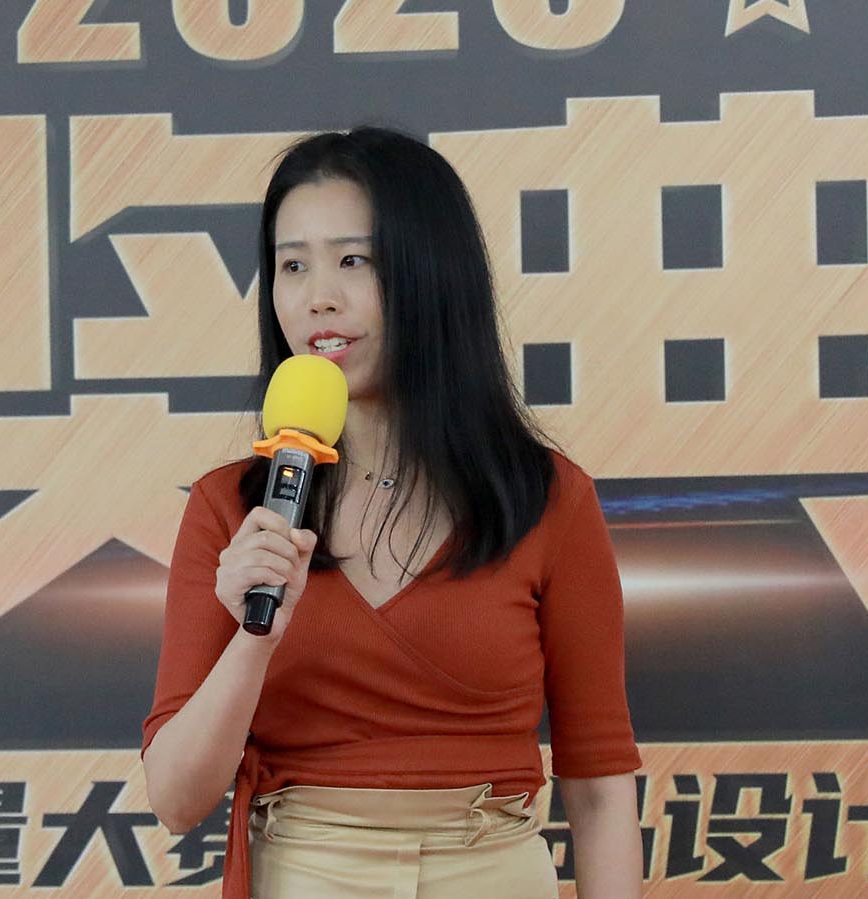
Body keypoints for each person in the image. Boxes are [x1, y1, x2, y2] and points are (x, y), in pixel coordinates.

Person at [142, 127, 643, 899]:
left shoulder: (548, 499)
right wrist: (254, 636)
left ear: (432, 273)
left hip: (493, 870)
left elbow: (600, 788)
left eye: (354, 260)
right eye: (292, 265)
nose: (318, 296)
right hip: (305, 873)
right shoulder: (231, 508)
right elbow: (177, 801)